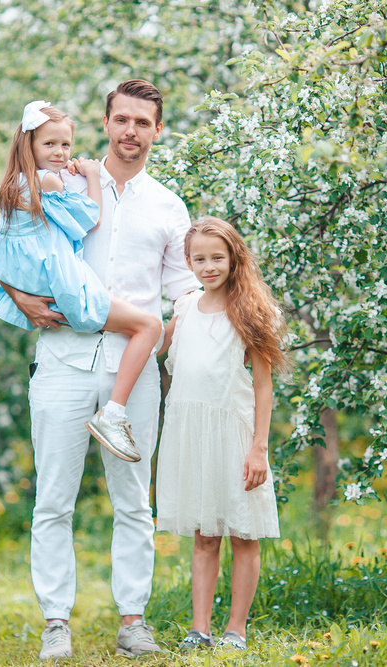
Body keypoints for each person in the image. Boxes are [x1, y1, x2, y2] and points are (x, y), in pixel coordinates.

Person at [0, 81, 200, 660]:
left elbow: (183, 291)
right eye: (122, 119)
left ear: (158, 130)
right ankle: (55, 622)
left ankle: (132, 620)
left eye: (143, 122)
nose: (131, 131)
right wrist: (20, 298)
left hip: (132, 373)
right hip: (62, 360)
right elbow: (9, 242)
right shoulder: (58, 184)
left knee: (134, 501)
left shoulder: (168, 206)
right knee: (53, 499)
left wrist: (194, 352)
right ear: (106, 123)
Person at [0, 101, 163, 463]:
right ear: (29, 145)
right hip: (69, 290)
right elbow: (88, 220)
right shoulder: (48, 181)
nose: (60, 153)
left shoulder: (13, 187)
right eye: (49, 144)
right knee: (150, 325)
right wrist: (93, 177)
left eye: (65, 145)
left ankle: (112, 412)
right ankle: (113, 414)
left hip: (48, 290)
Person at [155, 216, 288, 652]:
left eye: (217, 257)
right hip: (190, 434)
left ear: (234, 257)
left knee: (243, 533)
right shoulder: (185, 308)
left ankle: (236, 629)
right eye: (199, 258)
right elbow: (156, 347)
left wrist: (258, 449)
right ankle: (200, 629)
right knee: (204, 534)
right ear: (188, 262)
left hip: (234, 433)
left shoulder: (251, 311)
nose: (208, 266)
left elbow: (263, 385)